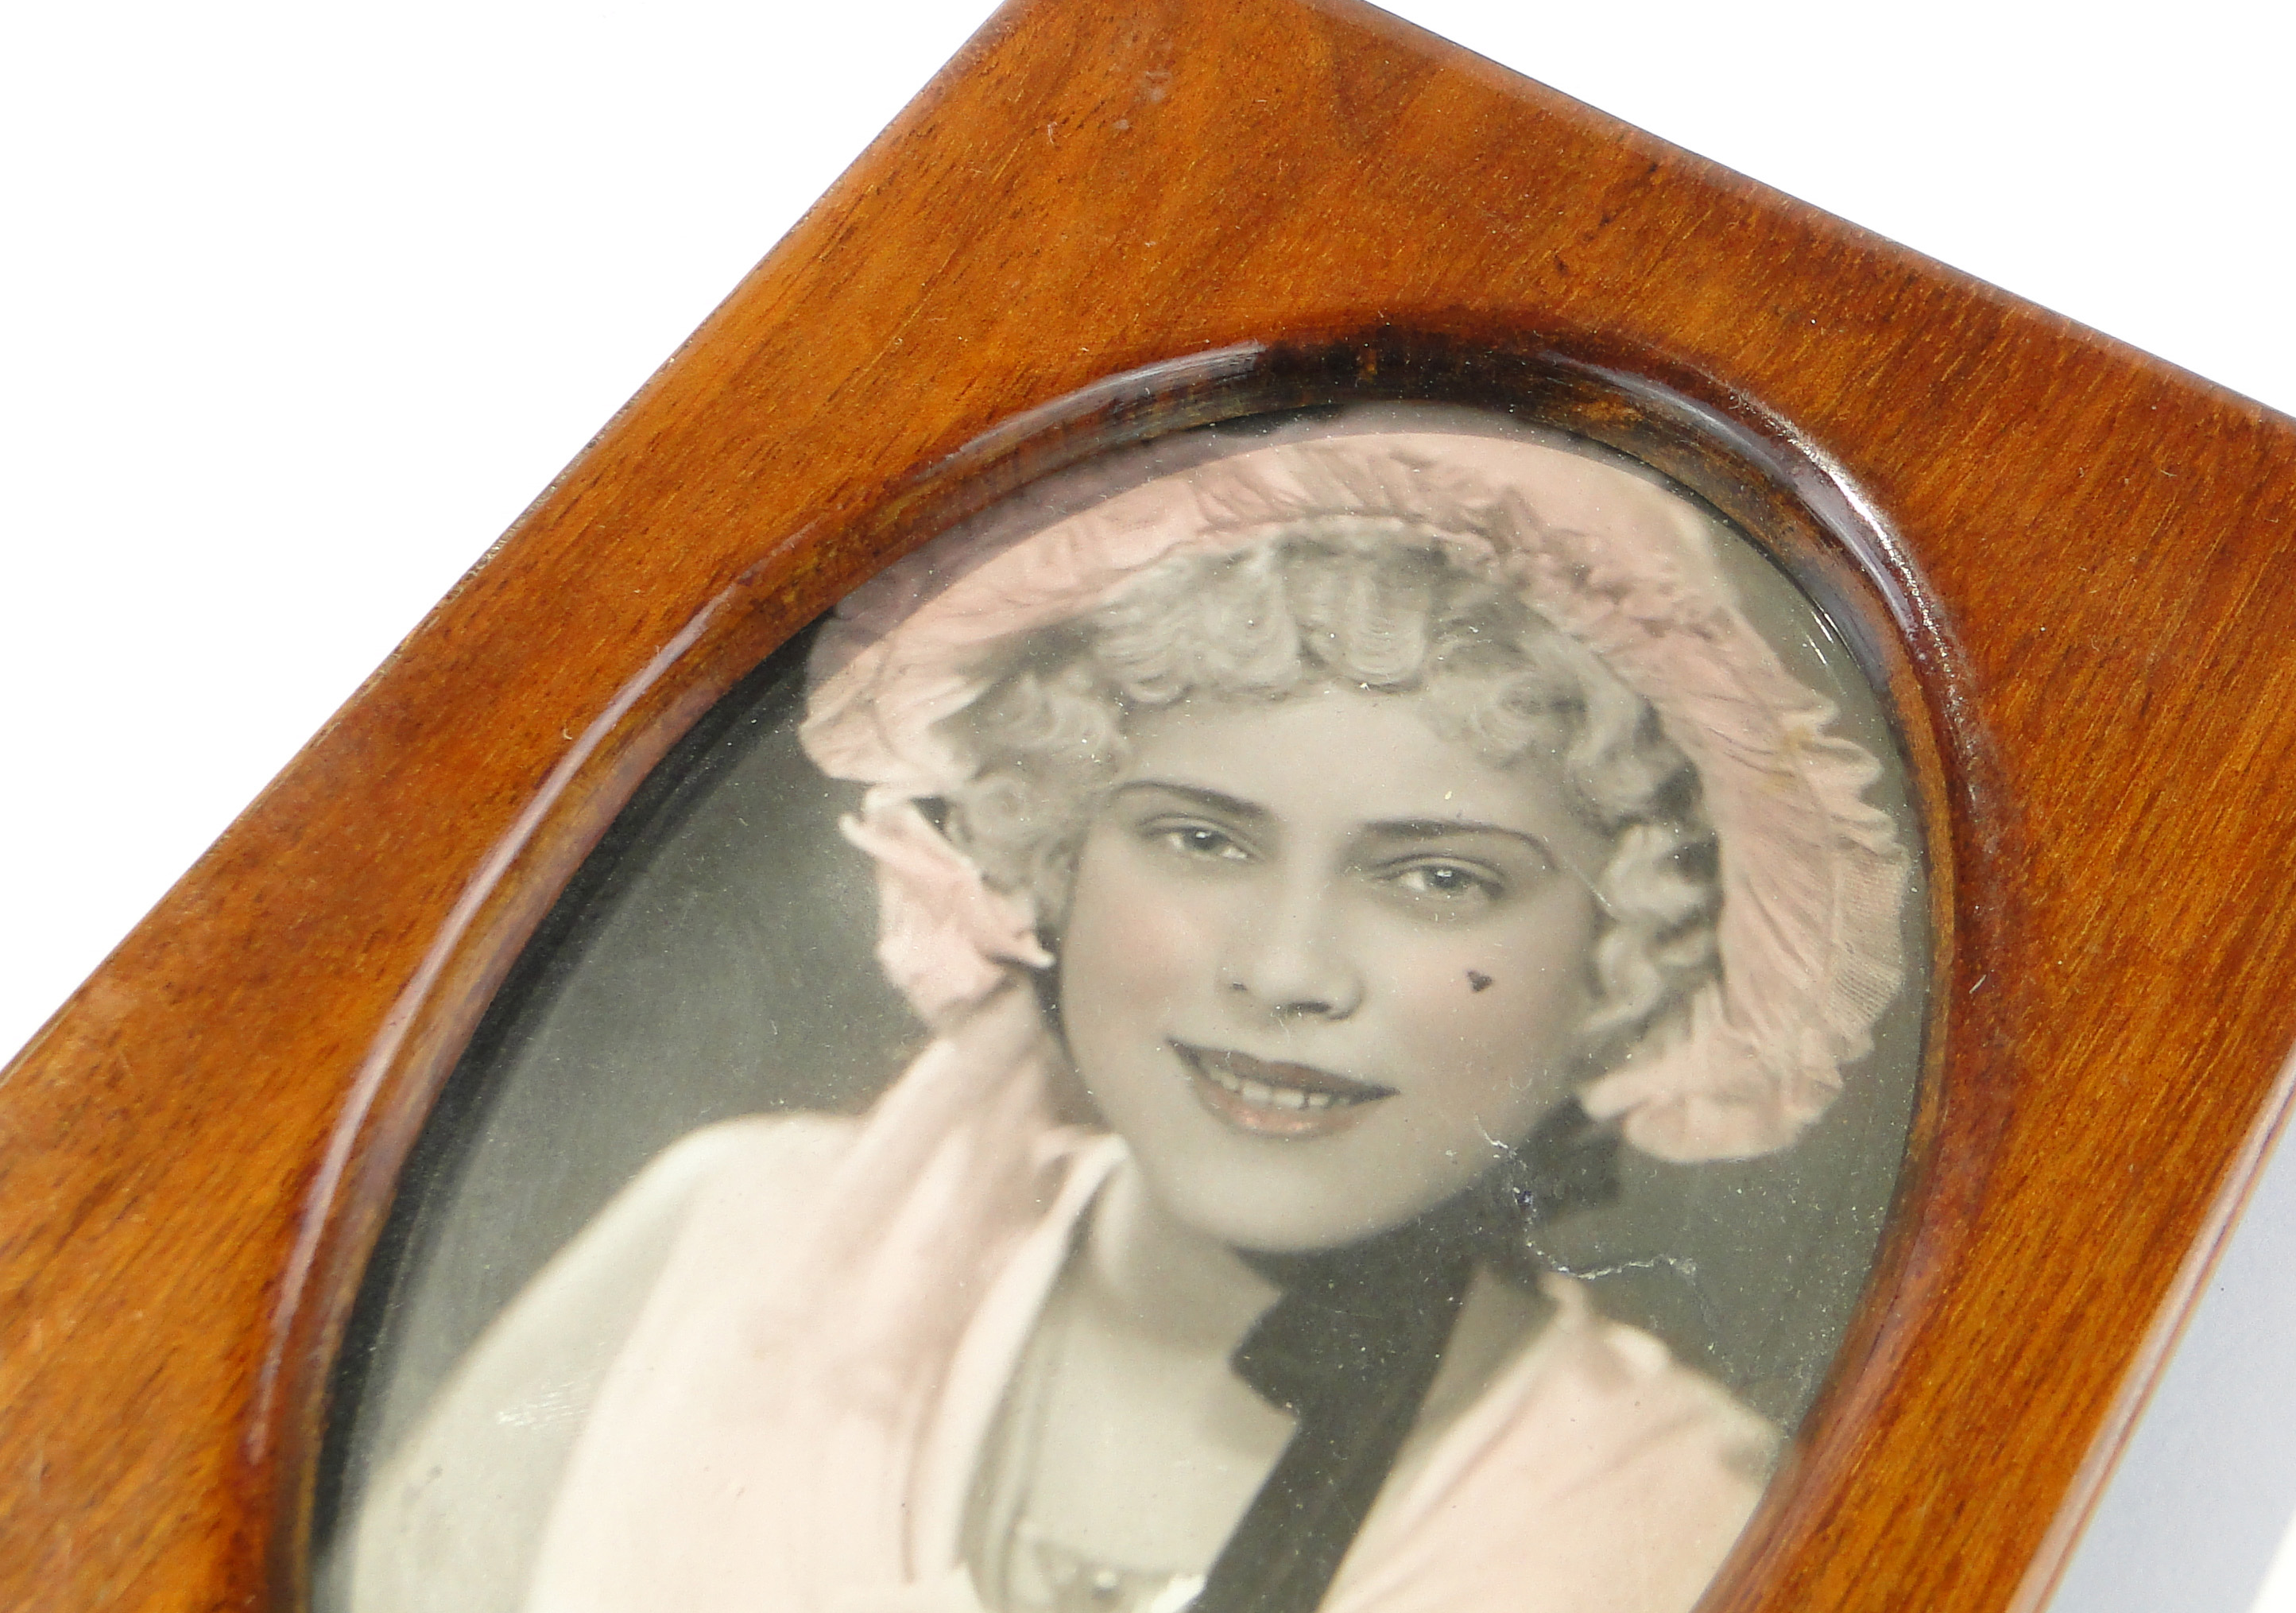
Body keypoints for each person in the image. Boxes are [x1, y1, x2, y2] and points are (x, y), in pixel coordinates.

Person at [346, 418, 1909, 1613]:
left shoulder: (1683, 1522)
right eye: (1203, 840)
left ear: (1624, 954)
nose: (1287, 969)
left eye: (1438, 879)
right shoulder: (728, 1241)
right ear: (1055, 851)